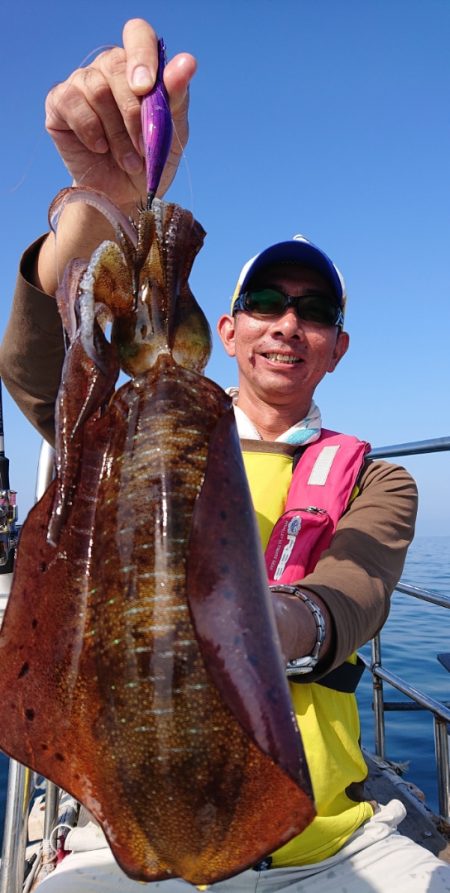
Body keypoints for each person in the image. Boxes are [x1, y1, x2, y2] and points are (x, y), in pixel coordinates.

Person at [0, 17, 449, 893]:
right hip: (128, 835)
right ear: (230, 329)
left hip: (328, 842)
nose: (290, 322)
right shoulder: (124, 443)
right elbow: (38, 370)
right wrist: (100, 211)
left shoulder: (377, 479)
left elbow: (345, 604)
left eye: (314, 310)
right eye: (268, 302)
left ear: (338, 346)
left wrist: (252, 625)